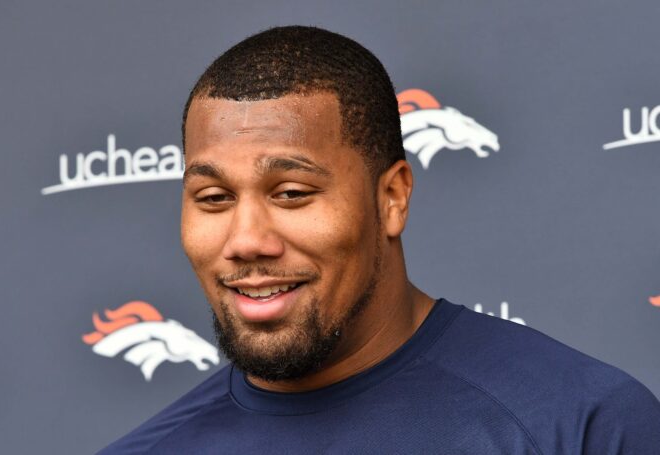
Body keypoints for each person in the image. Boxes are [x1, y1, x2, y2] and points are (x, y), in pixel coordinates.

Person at [99, 26, 660, 454]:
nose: (246, 240)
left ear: (391, 197)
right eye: (214, 198)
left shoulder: (579, 423)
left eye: (291, 193)